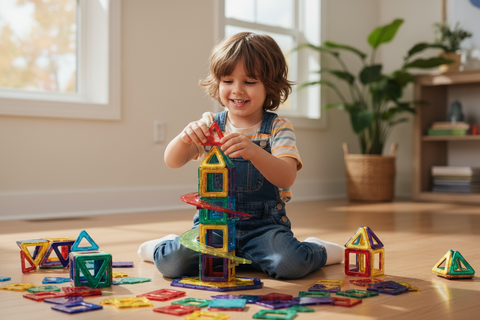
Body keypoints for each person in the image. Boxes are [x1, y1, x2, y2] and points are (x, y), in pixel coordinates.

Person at [138, 32, 344, 279]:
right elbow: (172, 161)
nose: (237, 90)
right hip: (213, 227)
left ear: (270, 85)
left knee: (290, 264)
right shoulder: (211, 124)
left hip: (264, 229)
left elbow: (286, 177)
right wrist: (184, 138)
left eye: (249, 81)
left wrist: (254, 152)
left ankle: (318, 249)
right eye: (227, 80)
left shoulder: (278, 128)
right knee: (173, 264)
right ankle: (164, 244)